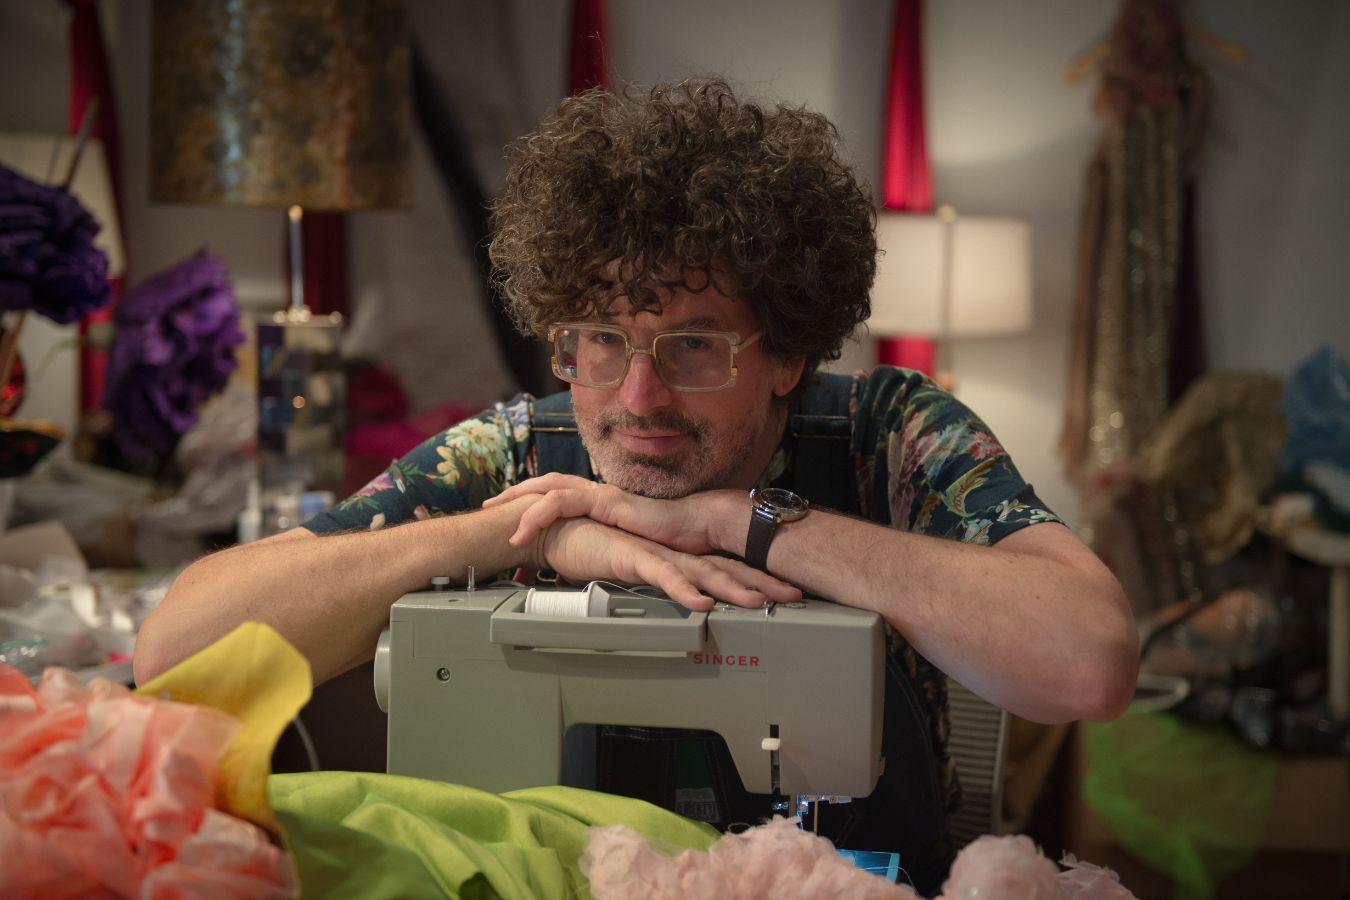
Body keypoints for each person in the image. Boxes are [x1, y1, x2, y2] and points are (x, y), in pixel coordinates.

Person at [135, 79, 1137, 891]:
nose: (638, 394)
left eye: (694, 345)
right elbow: (174, 648)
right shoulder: (520, 452)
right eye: (601, 342)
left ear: (787, 353)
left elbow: (1087, 661)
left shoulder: (891, 435)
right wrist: (520, 532)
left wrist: (746, 522)